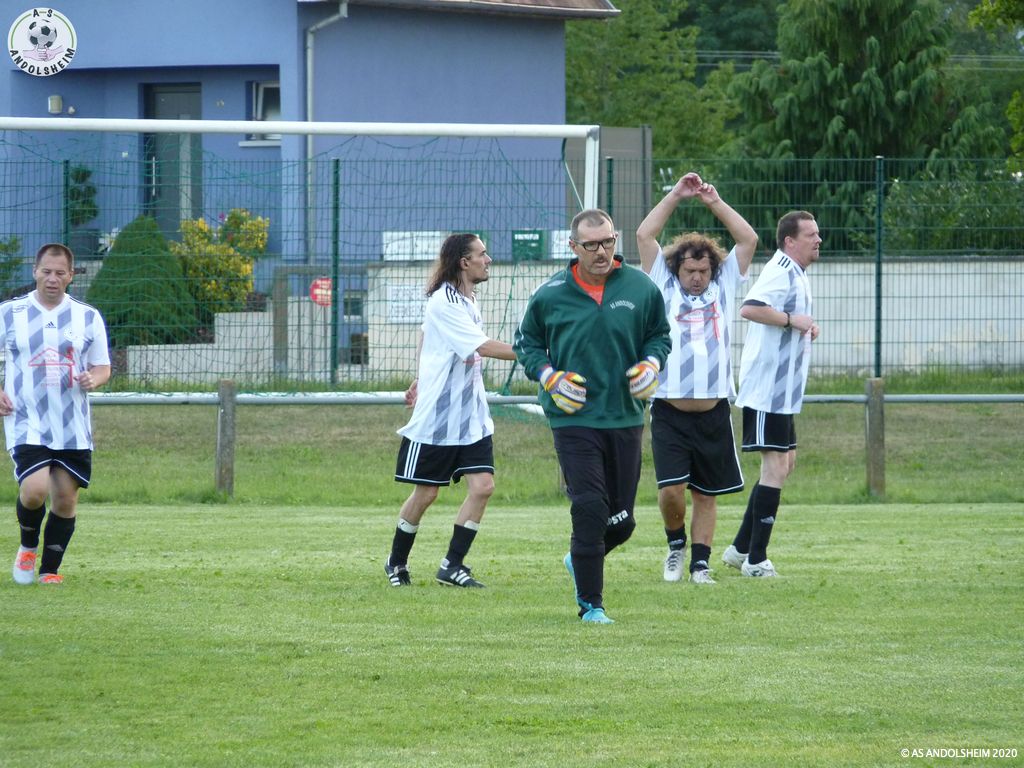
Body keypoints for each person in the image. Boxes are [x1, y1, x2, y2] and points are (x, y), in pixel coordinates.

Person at [514, 209, 671, 624]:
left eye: (608, 242)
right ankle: (591, 605)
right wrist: (549, 377)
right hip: (573, 418)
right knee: (589, 507)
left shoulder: (641, 288)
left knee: (622, 523)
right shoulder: (550, 294)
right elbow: (527, 345)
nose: (602, 251)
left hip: (625, 415)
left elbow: (659, 336)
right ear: (573, 247)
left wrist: (652, 364)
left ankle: (580, 557)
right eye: (591, 245)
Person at [636, 172, 757, 585]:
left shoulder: (724, 284)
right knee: (672, 490)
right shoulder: (662, 281)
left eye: (703, 270)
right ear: (677, 267)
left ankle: (700, 565)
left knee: (706, 493)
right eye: (690, 270)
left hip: (714, 408)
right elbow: (645, 234)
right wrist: (676, 194)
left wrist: (713, 202)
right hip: (669, 408)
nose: (697, 277)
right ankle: (676, 545)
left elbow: (748, 239)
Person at [385, 233, 516, 589]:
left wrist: (418, 376)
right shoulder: (444, 301)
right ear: (464, 262)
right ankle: (396, 562)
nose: (488, 260)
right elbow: (482, 346)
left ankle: (452, 566)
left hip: (471, 417)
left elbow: (426, 335)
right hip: (438, 418)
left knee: (483, 487)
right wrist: (537, 353)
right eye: (482, 254)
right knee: (426, 494)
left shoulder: (468, 298)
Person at [4, 243, 111, 586]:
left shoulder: (87, 317)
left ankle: (49, 571)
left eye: (60, 273)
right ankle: (27, 547)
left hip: (71, 424)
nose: (52, 278)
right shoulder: (10, 313)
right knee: (35, 490)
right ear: (35, 271)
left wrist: (94, 378)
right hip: (26, 418)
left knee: (65, 499)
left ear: (71, 276)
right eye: (46, 271)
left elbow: (102, 366)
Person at [722, 211, 821, 577]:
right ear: (789, 241)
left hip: (783, 393)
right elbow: (750, 308)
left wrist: (804, 325)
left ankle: (739, 550)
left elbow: (787, 316)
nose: (818, 240)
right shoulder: (781, 270)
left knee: (785, 464)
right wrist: (792, 320)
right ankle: (756, 560)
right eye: (811, 235)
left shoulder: (796, 271)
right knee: (775, 467)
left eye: (818, 234)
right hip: (767, 390)